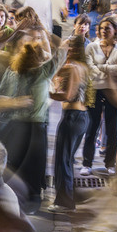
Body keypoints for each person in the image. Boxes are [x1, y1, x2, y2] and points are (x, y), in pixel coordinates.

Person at [0, 29, 57, 212]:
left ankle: (7, 199)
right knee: (34, 165)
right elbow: (59, 56)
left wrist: (12, 103)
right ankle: (30, 203)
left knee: (14, 164)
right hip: (35, 126)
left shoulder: (13, 70)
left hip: (15, 125)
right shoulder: (42, 72)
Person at [80, 15, 117, 177]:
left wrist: (101, 67)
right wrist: (110, 68)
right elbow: (90, 68)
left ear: (115, 30)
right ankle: (86, 163)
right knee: (92, 128)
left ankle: (110, 163)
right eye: (101, 28)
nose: (104, 31)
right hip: (95, 90)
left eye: (108, 28)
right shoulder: (91, 47)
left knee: (112, 130)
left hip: (114, 92)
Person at [49, 32, 89, 210]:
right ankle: (68, 196)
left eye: (71, 46)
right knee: (67, 159)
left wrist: (47, 93)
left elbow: (67, 95)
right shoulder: (81, 66)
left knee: (63, 160)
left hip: (73, 117)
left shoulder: (73, 67)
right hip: (81, 118)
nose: (68, 48)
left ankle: (65, 202)